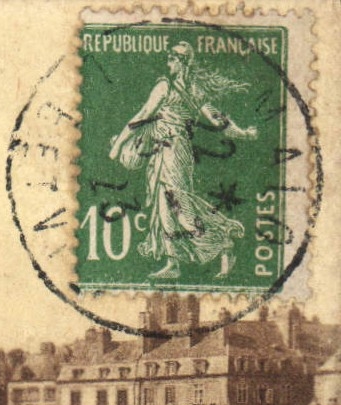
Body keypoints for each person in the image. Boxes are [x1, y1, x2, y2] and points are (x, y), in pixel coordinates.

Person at [109, 41, 258, 279]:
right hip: (169, 150)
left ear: (182, 62)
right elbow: (219, 122)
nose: (168, 63)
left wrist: (118, 146)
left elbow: (143, 115)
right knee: (165, 203)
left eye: (172, 59)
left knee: (177, 202)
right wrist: (244, 133)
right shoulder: (195, 90)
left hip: (172, 150)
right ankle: (173, 263)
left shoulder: (165, 86)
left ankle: (222, 242)